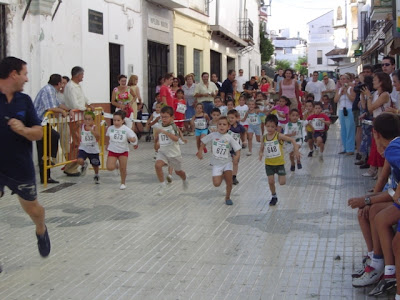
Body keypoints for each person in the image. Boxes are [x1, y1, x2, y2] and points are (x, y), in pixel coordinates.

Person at [0, 56, 51, 262]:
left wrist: (24, 130)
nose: (27, 79)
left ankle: (41, 229)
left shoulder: (25, 101)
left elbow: (39, 133)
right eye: (25, 74)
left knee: (33, 209)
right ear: (14, 74)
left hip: (20, 165)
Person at [348, 113, 400, 294]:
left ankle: (385, 270)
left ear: (376, 134)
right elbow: (389, 188)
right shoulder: (392, 149)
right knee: (369, 210)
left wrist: (368, 199)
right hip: (396, 199)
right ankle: (375, 260)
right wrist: (367, 200)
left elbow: (393, 193)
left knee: (379, 216)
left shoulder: (393, 149)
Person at [197, 116, 241, 205]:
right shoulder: (213, 135)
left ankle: (227, 197)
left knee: (229, 182)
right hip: (216, 163)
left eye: (224, 124)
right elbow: (204, 142)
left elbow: (237, 149)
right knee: (216, 184)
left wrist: (236, 157)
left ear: (228, 127)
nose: (222, 126)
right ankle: (222, 175)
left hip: (227, 162)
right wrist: (200, 151)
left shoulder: (229, 137)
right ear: (217, 126)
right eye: (220, 124)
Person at [34, 74, 70, 184]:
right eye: (62, 83)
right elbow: (51, 107)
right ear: (58, 83)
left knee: (44, 149)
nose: (62, 85)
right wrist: (62, 111)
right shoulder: (48, 90)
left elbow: (58, 104)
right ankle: (52, 160)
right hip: (39, 123)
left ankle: (46, 176)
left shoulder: (51, 91)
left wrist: (69, 109)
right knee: (53, 137)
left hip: (43, 122)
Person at [259, 114, 300, 206]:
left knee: (282, 182)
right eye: (268, 126)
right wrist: (261, 153)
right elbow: (262, 147)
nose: (270, 129)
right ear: (265, 125)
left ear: (276, 127)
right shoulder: (264, 137)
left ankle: (280, 174)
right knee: (271, 181)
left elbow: (292, 140)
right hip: (269, 163)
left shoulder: (279, 136)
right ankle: (274, 196)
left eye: (272, 127)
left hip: (279, 163)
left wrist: (296, 150)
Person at [362, 72, 393, 179]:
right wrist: (365, 97)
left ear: (381, 82)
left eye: (375, 80)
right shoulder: (376, 94)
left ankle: (381, 178)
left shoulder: (384, 94)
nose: (373, 82)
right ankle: (377, 175)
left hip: (383, 122)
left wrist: (369, 97)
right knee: (375, 148)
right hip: (377, 121)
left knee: (380, 149)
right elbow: (367, 108)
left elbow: (371, 108)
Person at [63, 66, 92, 176]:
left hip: (79, 117)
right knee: (76, 142)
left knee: (79, 142)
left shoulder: (77, 86)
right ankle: (71, 167)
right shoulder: (70, 87)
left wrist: (89, 104)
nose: (83, 77)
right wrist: (85, 108)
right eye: (82, 75)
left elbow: (83, 98)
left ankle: (73, 165)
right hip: (74, 117)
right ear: (78, 75)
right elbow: (75, 103)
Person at [154, 106, 189, 195]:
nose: (163, 119)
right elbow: (157, 136)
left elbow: (176, 138)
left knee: (178, 172)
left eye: (166, 117)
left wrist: (166, 132)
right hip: (163, 152)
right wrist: (156, 142)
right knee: (158, 165)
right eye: (162, 117)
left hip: (174, 153)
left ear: (171, 117)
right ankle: (162, 185)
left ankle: (185, 179)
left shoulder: (173, 126)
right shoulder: (159, 125)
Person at [106, 110, 138, 190]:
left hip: (123, 151)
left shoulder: (126, 129)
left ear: (123, 121)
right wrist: (107, 145)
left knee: (123, 168)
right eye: (114, 120)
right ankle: (116, 166)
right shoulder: (110, 128)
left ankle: (123, 183)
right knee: (109, 167)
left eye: (118, 120)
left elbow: (133, 137)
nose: (116, 122)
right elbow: (107, 136)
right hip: (112, 150)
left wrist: (133, 140)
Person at [334, 74, 356, 155]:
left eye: (344, 79)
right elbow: (335, 100)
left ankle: (350, 148)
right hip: (341, 110)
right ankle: (344, 147)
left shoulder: (351, 89)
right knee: (343, 129)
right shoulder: (339, 90)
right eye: (341, 79)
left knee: (350, 128)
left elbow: (353, 99)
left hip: (349, 109)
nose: (343, 81)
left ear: (348, 80)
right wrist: (341, 93)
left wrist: (346, 92)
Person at [77, 111, 101, 183]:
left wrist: (91, 130)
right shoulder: (82, 127)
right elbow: (79, 134)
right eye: (86, 119)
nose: (87, 121)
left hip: (93, 148)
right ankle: (84, 164)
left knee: (95, 164)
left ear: (93, 120)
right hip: (83, 147)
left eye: (89, 119)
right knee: (79, 160)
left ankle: (96, 174)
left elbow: (98, 136)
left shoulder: (94, 127)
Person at [228, 109, 245, 185]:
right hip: (227, 147)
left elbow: (243, 133)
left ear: (237, 118)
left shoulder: (240, 127)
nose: (230, 120)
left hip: (236, 147)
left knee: (235, 162)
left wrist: (244, 141)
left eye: (232, 118)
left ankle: (234, 176)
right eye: (229, 118)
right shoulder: (227, 126)